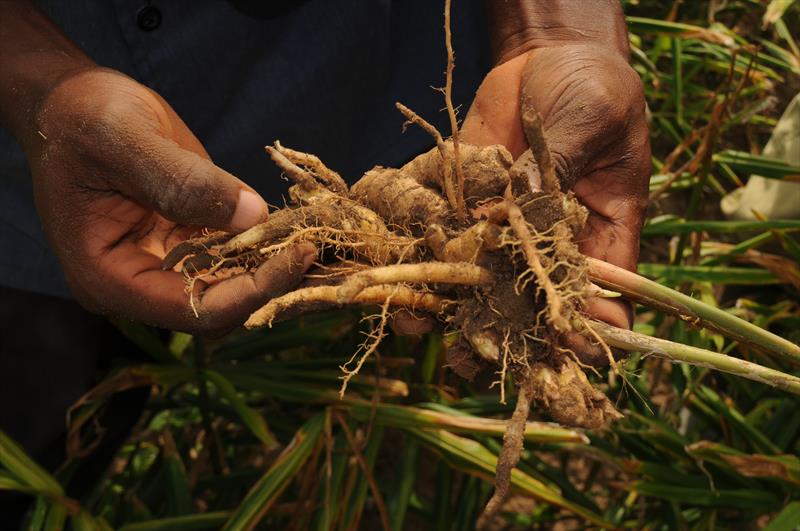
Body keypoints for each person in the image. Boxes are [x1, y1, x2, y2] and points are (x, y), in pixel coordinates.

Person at [0, 0, 649, 523]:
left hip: (408, 76)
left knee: (417, 298)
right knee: (45, 403)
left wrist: (561, 28)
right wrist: (36, 88)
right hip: (47, 146)